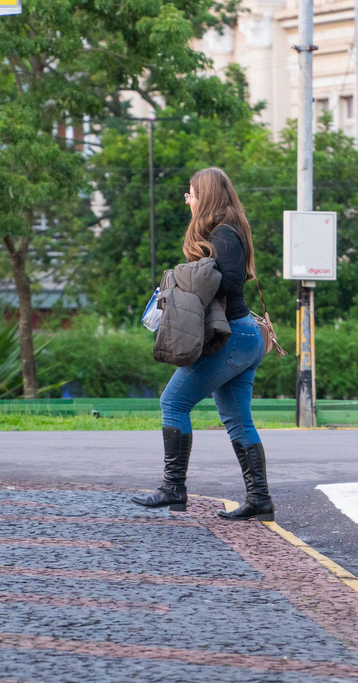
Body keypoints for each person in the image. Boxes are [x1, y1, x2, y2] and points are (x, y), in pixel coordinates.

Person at [131, 167, 273, 521]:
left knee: (173, 402)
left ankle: (172, 488)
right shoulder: (225, 231)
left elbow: (230, 284)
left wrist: (183, 274)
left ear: (206, 196)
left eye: (191, 193)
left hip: (235, 337)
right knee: (238, 419)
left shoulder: (224, 233)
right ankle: (260, 500)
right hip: (243, 336)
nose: (187, 198)